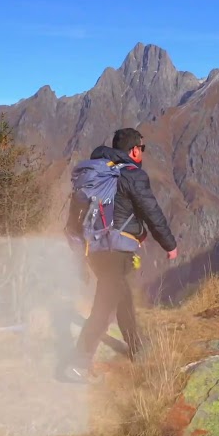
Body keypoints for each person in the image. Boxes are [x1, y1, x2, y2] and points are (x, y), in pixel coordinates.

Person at [63, 127, 177, 383]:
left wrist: (79, 254)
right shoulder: (131, 175)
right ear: (134, 150)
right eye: (142, 149)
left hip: (95, 251)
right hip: (117, 251)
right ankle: (77, 364)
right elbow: (152, 211)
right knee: (103, 307)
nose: (142, 153)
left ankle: (137, 348)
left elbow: (74, 221)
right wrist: (169, 244)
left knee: (121, 295)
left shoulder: (94, 175)